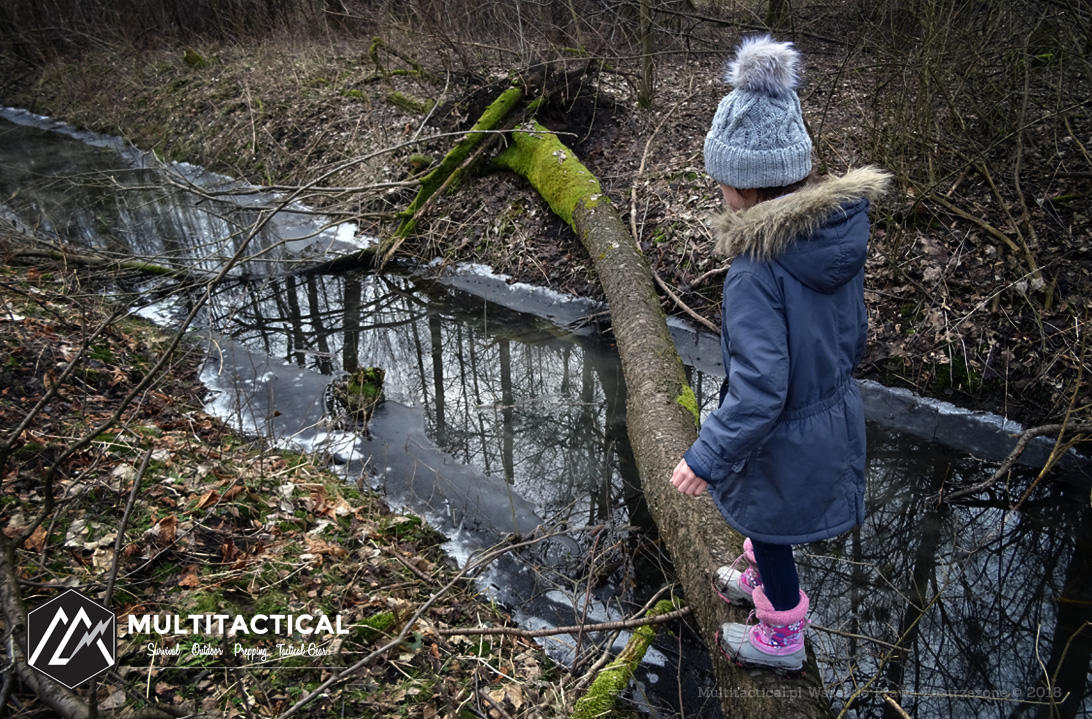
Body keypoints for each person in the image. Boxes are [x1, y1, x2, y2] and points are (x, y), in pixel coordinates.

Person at [669, 35, 891, 674]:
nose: (717, 191)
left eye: (721, 182)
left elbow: (760, 390)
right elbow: (853, 334)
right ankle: (760, 576)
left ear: (747, 187)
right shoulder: (833, 236)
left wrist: (706, 454)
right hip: (829, 411)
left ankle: (781, 634)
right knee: (762, 524)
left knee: (766, 523)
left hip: (783, 432)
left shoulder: (755, 270)